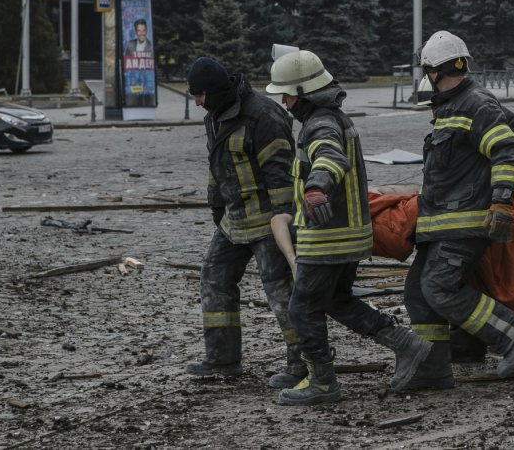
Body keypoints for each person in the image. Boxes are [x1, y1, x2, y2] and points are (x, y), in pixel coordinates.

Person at [266, 50, 431, 406]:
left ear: (304, 90)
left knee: (303, 308)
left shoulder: (320, 123)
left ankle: (323, 382)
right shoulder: (330, 116)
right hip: (350, 235)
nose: (284, 101)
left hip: (328, 238)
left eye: (288, 94)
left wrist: (315, 188)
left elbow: (329, 157)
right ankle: (406, 344)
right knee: (337, 300)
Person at [402, 31, 514, 389]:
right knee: (418, 291)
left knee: (439, 287)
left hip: (464, 221)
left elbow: (508, 148)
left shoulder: (474, 104)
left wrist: (501, 200)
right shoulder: (452, 106)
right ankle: (433, 369)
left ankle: (512, 333)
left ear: (433, 70)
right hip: (439, 221)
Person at [183, 57, 304, 386]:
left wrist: (286, 225)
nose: (196, 102)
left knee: (281, 291)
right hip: (233, 219)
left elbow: (281, 174)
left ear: (215, 91)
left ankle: (303, 362)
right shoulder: (216, 115)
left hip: (269, 220)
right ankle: (222, 360)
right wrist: (217, 209)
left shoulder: (263, 115)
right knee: (214, 277)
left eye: (199, 95)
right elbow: (216, 167)